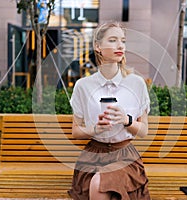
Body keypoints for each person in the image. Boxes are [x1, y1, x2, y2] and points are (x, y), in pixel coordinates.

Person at [68, 21, 151, 200]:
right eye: (113, 40)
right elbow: (76, 131)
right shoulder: (83, 86)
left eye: (123, 40)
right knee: (99, 186)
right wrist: (95, 129)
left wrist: (126, 120)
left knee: (99, 185)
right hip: (93, 156)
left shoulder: (136, 83)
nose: (120, 45)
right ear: (98, 46)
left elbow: (144, 131)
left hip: (125, 156)